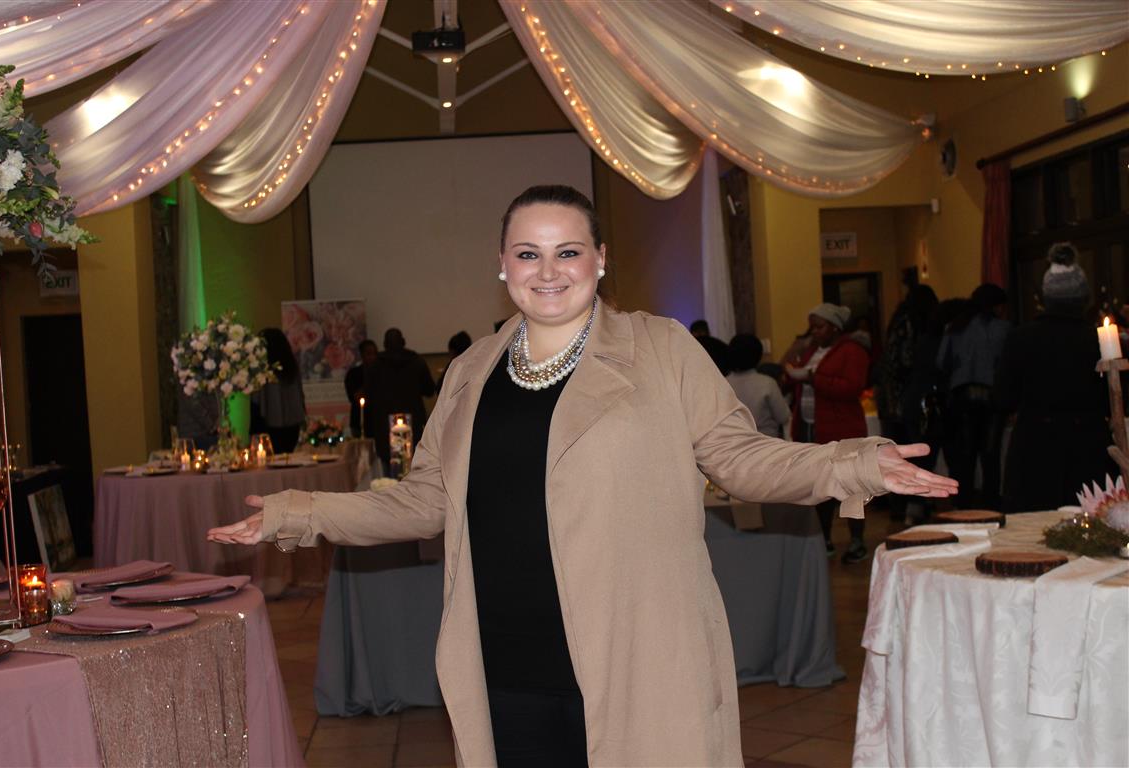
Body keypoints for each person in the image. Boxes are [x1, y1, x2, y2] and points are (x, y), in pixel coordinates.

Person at [209, 185, 955, 767]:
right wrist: (297, 513)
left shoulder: (660, 350)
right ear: (502, 265)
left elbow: (740, 457)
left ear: (600, 259)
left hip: (636, 652)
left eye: (567, 252)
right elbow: (426, 500)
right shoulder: (470, 373)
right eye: (528, 254)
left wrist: (855, 461)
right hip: (505, 658)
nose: (548, 271)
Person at [994, 243, 1116, 511]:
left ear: (1045, 298)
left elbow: (1003, 397)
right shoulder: (1098, 340)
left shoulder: (1021, 338)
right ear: (1084, 299)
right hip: (1087, 446)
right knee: (1090, 520)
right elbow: (1115, 398)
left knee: (1033, 523)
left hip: (1035, 446)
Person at [785, 303, 872, 562]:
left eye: (819, 327)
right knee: (820, 484)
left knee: (850, 484)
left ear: (835, 327)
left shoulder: (852, 350)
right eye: (812, 327)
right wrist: (795, 355)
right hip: (810, 425)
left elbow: (852, 387)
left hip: (841, 427)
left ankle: (857, 541)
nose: (814, 331)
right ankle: (824, 539)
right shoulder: (812, 349)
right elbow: (789, 375)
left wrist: (814, 379)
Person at [937, 283, 1011, 508]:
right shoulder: (1003, 328)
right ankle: (991, 505)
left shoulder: (955, 327)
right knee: (990, 457)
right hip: (992, 398)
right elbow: (1007, 365)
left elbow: (941, 362)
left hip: (961, 398)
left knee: (964, 457)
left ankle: (963, 505)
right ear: (996, 306)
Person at [876, 284, 940, 520]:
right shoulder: (914, 325)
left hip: (891, 401)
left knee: (897, 453)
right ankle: (915, 505)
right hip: (907, 400)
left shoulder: (898, 322)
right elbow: (906, 362)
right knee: (917, 453)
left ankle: (900, 507)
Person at [363, 327, 436, 469]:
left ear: (384, 344)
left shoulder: (375, 366)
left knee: (390, 473)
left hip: (385, 428)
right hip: (413, 425)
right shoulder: (417, 362)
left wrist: (369, 431)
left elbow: (368, 399)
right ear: (403, 341)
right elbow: (429, 390)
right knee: (415, 471)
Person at [249, 328, 305, 453]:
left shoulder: (261, 369)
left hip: (266, 425)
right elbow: (299, 396)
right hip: (292, 425)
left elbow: (256, 401)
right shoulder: (291, 367)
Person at [727, 333, 789, 439]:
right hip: (766, 442)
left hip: (734, 442)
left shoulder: (723, 383)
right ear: (758, 355)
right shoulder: (767, 383)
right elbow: (783, 416)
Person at [344, 339, 379, 437]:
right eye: (369, 354)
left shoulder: (382, 372)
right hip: (359, 421)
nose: (372, 357)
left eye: (375, 354)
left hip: (378, 421)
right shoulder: (354, 374)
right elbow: (355, 396)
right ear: (362, 355)